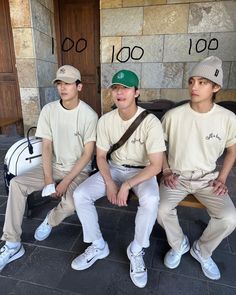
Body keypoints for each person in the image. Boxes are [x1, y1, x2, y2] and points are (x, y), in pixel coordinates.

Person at [71, 70, 165, 288]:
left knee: (151, 200)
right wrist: (110, 183)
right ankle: (97, 245)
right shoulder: (105, 120)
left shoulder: (150, 122)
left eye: (125, 88)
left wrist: (127, 185)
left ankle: (137, 249)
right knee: (80, 194)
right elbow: (101, 156)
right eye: (115, 88)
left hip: (142, 172)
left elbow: (156, 166)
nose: (119, 92)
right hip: (114, 168)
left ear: (136, 92)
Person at [0, 65, 98, 271]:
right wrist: (47, 179)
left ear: (79, 86)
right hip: (53, 166)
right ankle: (12, 243)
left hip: (78, 170)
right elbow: (46, 145)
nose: (63, 88)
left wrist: (65, 182)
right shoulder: (49, 110)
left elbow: (88, 154)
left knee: (71, 204)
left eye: (68, 83)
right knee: (17, 184)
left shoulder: (89, 115)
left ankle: (50, 220)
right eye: (60, 84)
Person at [157, 56, 236, 280]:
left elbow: (232, 150)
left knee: (230, 218)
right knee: (160, 210)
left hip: (208, 179)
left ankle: (201, 250)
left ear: (216, 87)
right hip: (177, 177)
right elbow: (158, 146)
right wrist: (165, 170)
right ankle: (179, 244)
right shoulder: (173, 116)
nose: (194, 87)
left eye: (202, 82)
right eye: (192, 81)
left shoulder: (227, 118)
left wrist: (222, 178)